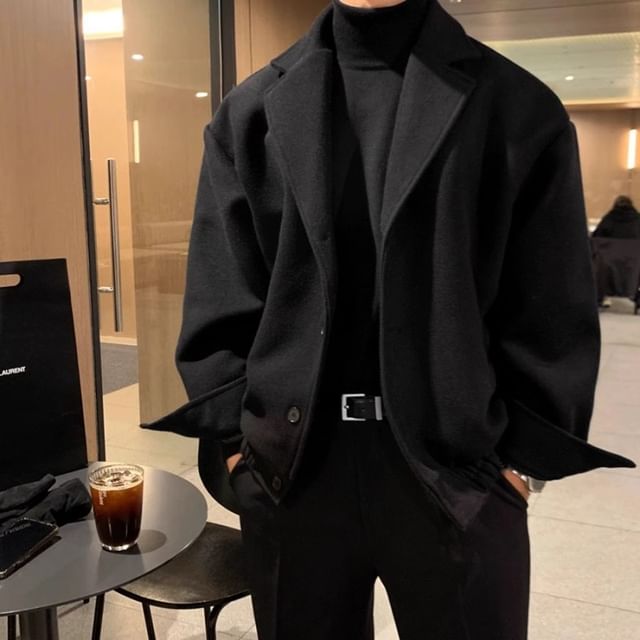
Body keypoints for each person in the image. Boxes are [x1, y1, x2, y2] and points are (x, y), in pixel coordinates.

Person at [146, 0, 635, 638]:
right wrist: (242, 450)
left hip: (456, 469)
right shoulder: (252, 109)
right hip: (295, 469)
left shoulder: (516, 107)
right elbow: (222, 291)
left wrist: (516, 465)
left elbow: (551, 302)